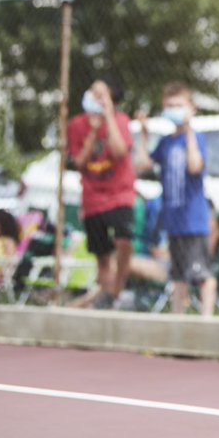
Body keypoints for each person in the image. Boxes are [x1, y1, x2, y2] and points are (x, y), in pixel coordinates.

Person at [134, 82, 216, 317]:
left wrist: (189, 128)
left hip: (193, 221)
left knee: (203, 276)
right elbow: (143, 164)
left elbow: (194, 166)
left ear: (191, 108)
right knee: (179, 276)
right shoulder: (167, 142)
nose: (173, 110)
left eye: (178, 105)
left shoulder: (195, 138)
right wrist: (144, 133)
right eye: (169, 106)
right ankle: (177, 322)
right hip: (174, 220)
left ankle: (206, 322)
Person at [68, 76, 136, 309]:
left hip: (120, 194)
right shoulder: (77, 125)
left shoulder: (121, 120)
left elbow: (119, 153)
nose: (92, 97)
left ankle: (116, 290)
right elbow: (78, 162)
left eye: (100, 94)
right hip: (93, 198)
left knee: (123, 240)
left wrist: (108, 117)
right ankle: (106, 297)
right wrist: (93, 134)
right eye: (91, 92)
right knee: (102, 253)